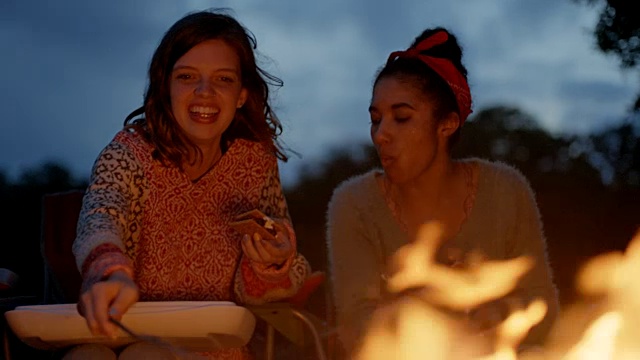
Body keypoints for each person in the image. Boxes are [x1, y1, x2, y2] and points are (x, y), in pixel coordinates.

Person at [70, 10, 310, 360]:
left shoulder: (254, 163)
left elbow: (266, 282)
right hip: (119, 331)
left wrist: (271, 261)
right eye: (187, 76)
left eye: (223, 80)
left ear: (242, 94)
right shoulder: (130, 152)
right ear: (165, 85)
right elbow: (101, 216)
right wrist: (111, 274)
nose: (204, 92)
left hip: (213, 347)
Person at [326, 27, 559, 355]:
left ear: (447, 124)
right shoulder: (354, 204)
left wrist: (498, 317)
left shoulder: (505, 191)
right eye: (376, 119)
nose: (380, 135)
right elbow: (357, 323)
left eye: (402, 118)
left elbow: (540, 299)